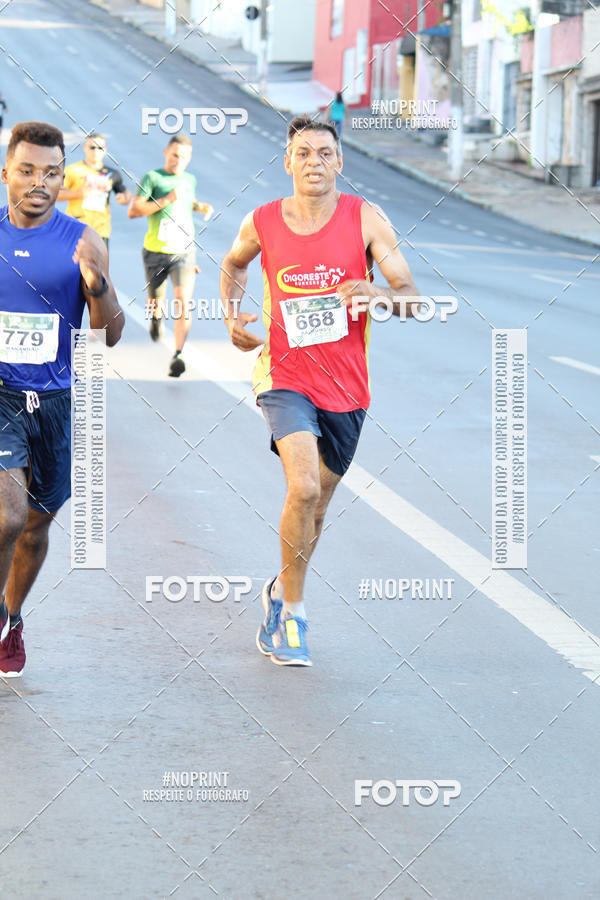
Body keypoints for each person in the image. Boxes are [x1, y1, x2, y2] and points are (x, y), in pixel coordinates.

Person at [220, 115, 419, 667]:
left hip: (347, 388)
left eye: (324, 153)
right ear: (287, 162)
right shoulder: (262, 221)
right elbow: (233, 264)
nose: (314, 162)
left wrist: (377, 291)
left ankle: (281, 586)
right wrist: (233, 316)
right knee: (302, 488)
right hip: (284, 377)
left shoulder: (365, 220)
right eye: (302, 152)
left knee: (318, 506)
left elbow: (413, 297)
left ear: (339, 162)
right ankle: (294, 616)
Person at [0, 121, 124, 677]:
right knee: (7, 516)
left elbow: (111, 333)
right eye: (27, 170)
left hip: (54, 398)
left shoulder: (83, 239)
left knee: (36, 525)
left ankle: (12, 615)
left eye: (51, 172)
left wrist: (96, 288)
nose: (39, 182)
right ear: (7, 173)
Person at [128, 134, 213, 378]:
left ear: (189, 159)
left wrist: (200, 206)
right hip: (155, 251)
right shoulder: (153, 178)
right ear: (166, 152)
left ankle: (178, 354)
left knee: (183, 301)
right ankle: (155, 319)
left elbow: (187, 200)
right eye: (175, 154)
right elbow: (134, 210)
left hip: (184, 251)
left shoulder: (189, 179)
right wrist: (164, 200)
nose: (179, 160)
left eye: (184, 156)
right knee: (156, 302)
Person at [57, 133, 131, 250]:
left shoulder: (112, 174)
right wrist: (78, 194)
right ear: (85, 148)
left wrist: (124, 198)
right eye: (92, 147)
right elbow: (56, 195)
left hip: (101, 230)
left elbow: (124, 194)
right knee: (74, 266)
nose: (96, 151)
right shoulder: (73, 170)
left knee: (99, 267)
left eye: (100, 148)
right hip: (76, 227)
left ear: (105, 150)